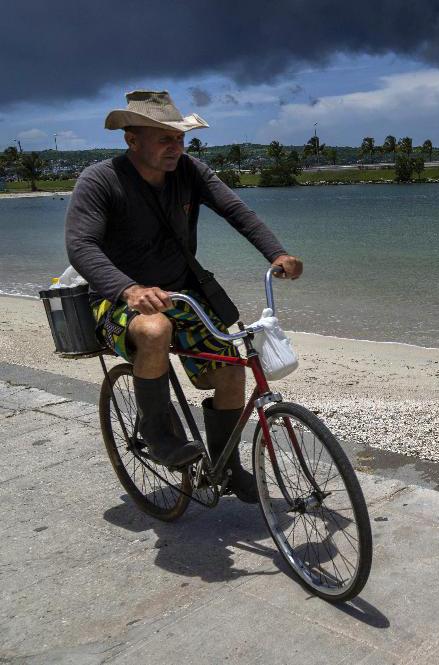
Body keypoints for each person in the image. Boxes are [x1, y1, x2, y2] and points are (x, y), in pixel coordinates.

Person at [65, 90, 303, 502]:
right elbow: (80, 246)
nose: (176, 147)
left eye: (179, 138)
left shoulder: (190, 171)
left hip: (181, 294)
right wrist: (129, 289)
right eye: (164, 139)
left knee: (232, 369)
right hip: (116, 298)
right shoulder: (100, 180)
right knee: (154, 330)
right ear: (132, 140)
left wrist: (277, 254)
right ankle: (158, 432)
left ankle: (227, 467)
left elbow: (237, 212)